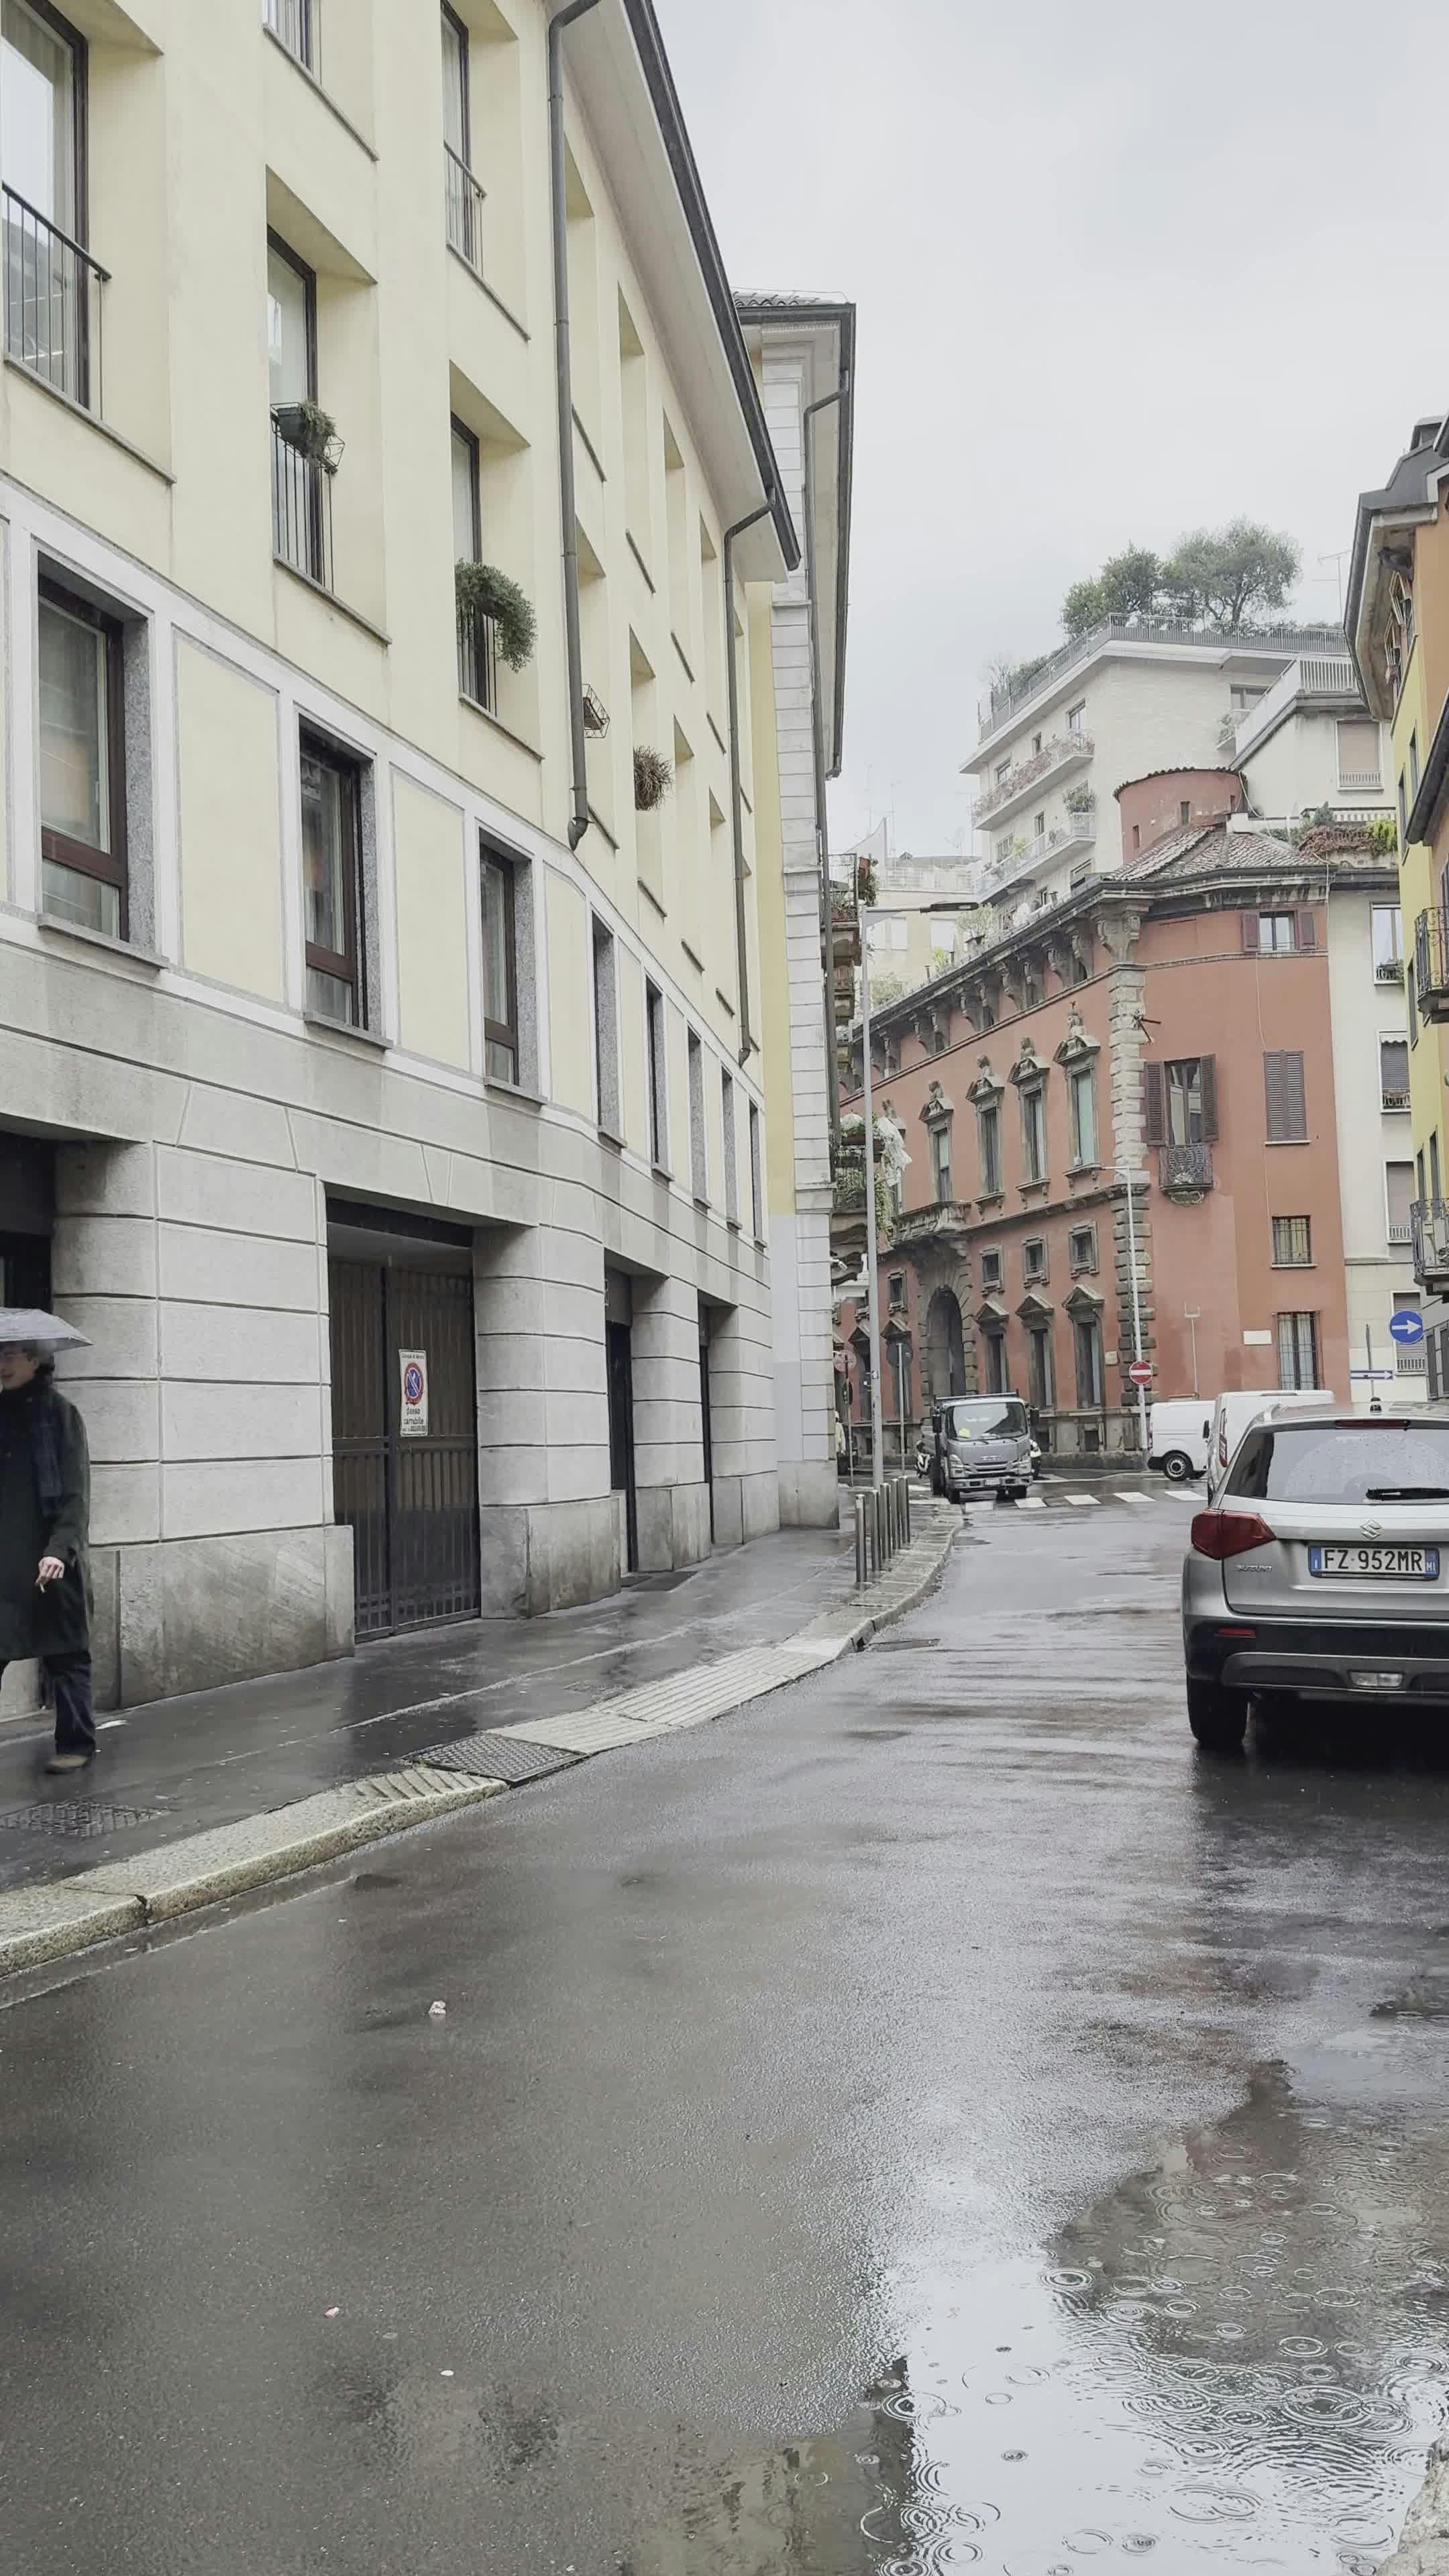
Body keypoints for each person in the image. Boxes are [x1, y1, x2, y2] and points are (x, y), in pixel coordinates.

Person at [0, 1339, 95, 1774]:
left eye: (10, 1355)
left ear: (34, 1360)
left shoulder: (60, 1415)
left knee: (66, 1655)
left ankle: (76, 1743)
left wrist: (59, 1550)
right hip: (6, 1559)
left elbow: (76, 1493)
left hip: (49, 1561)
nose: (2, 1364)